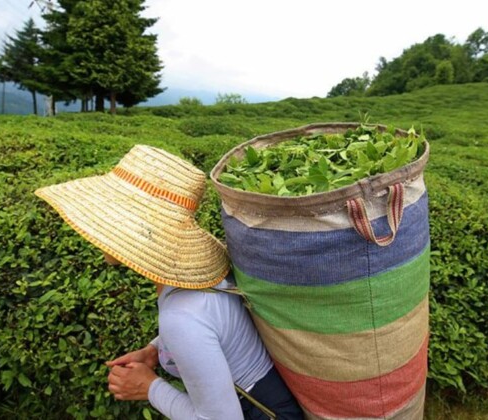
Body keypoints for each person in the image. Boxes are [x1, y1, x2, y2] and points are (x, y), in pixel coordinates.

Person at [35, 145, 303, 420]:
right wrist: (156, 351)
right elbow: (214, 327)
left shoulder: (181, 318)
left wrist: (148, 387)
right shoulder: (202, 280)